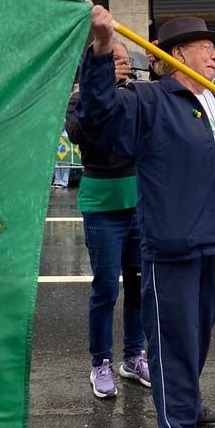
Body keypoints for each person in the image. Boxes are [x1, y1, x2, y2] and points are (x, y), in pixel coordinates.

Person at [77, 9, 215, 428]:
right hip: (172, 242)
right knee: (173, 343)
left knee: (197, 334)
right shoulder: (149, 99)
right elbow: (97, 118)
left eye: (214, 48)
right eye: (205, 47)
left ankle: (185, 404)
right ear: (178, 55)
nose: (214, 55)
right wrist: (101, 49)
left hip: (211, 238)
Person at [66, 42, 148, 398]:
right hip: (101, 206)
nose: (122, 64)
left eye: (124, 59)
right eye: (112, 59)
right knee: (105, 288)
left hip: (138, 203)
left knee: (139, 285)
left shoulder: (137, 97)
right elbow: (80, 133)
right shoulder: (79, 100)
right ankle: (100, 361)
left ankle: (133, 356)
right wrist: (99, 89)